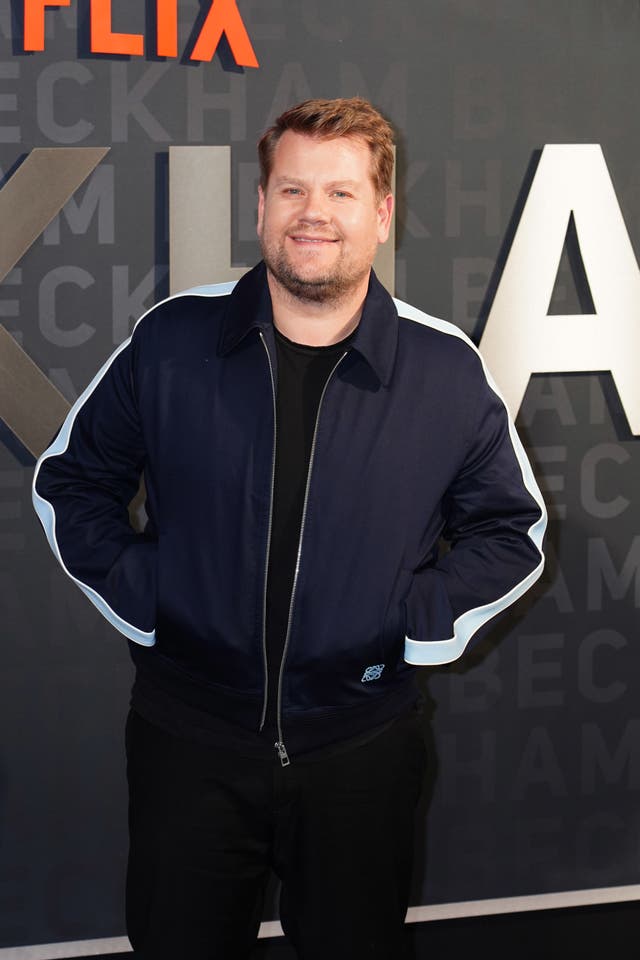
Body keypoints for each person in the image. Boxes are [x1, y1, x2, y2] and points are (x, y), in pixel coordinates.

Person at [32, 97, 546, 959]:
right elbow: (69, 484)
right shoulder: (172, 341)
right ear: (262, 204)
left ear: (382, 214)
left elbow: (512, 532)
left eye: (342, 194)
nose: (315, 214)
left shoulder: (444, 369)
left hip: (363, 751)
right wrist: (154, 599)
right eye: (293, 189)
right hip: (187, 745)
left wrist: (410, 622)